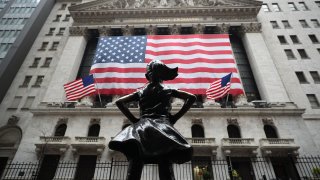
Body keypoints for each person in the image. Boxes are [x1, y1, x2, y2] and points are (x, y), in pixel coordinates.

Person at [108, 60, 196, 180]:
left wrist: (134, 120)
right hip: (163, 126)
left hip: (142, 127)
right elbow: (192, 97)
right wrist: (175, 117)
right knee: (164, 160)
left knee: (137, 161)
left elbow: (119, 102)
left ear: (149, 75)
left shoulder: (141, 91)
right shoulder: (168, 90)